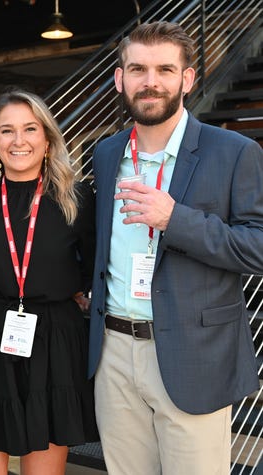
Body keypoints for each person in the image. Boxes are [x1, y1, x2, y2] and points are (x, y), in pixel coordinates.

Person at [88, 21, 263, 475]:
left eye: (165, 69)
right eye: (138, 69)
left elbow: (258, 248)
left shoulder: (234, 152)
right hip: (113, 353)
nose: (150, 82)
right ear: (119, 78)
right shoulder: (106, 154)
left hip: (195, 354)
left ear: (187, 79)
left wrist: (176, 220)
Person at [0, 89, 98, 475]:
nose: (19, 140)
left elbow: (94, 271)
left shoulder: (76, 198)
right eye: (6, 131)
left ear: (47, 138)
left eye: (30, 129)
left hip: (55, 343)